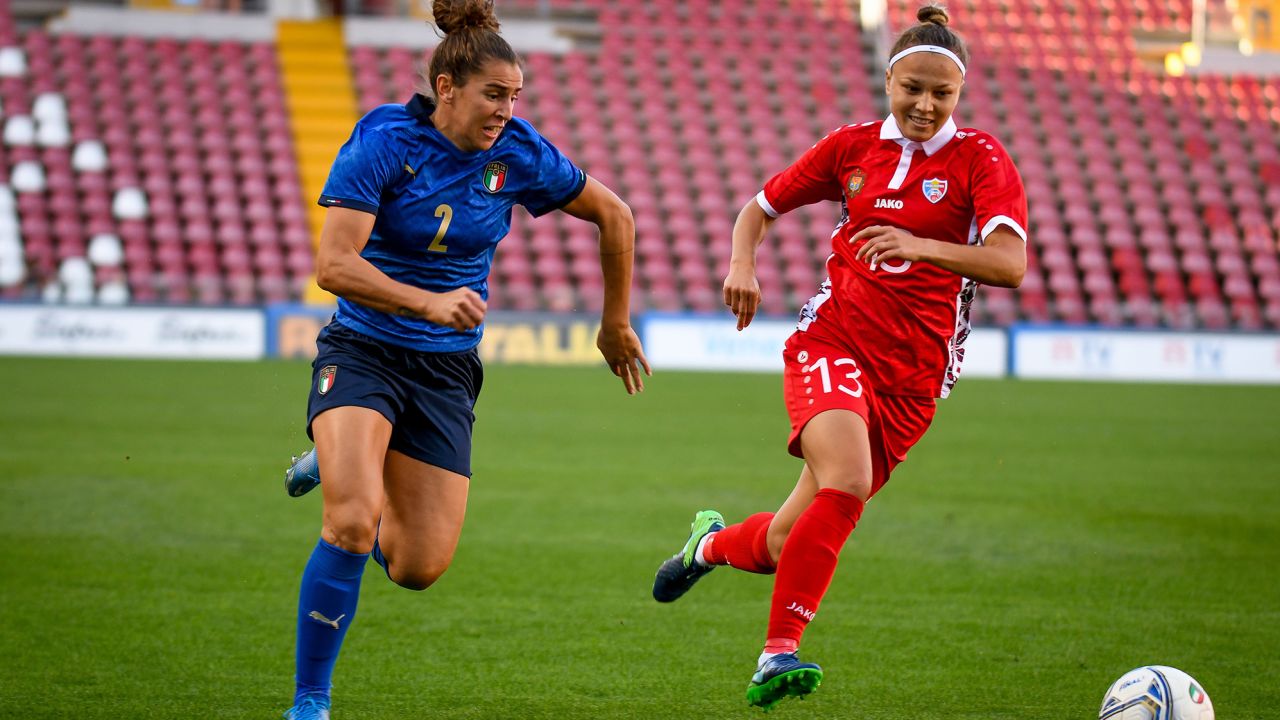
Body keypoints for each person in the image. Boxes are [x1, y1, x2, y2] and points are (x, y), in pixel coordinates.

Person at [650, 5, 1027, 711]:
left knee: (783, 542)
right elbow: (757, 207)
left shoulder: (980, 159)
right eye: (911, 87)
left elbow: (1010, 263)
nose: (924, 104)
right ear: (889, 81)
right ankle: (777, 656)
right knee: (846, 481)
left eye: (940, 94)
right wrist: (743, 263)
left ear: (959, 95)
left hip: (912, 384)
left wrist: (923, 246)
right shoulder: (852, 147)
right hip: (833, 342)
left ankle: (705, 546)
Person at [279, 1, 650, 718]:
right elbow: (333, 264)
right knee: (352, 525)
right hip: (363, 349)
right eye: (493, 95)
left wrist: (614, 323)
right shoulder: (384, 140)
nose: (506, 111)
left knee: (418, 568)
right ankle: (310, 701)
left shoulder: (518, 154)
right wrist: (424, 302)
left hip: (445, 371)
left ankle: (343, 452)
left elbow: (617, 214)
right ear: (446, 86)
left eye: (515, 97)